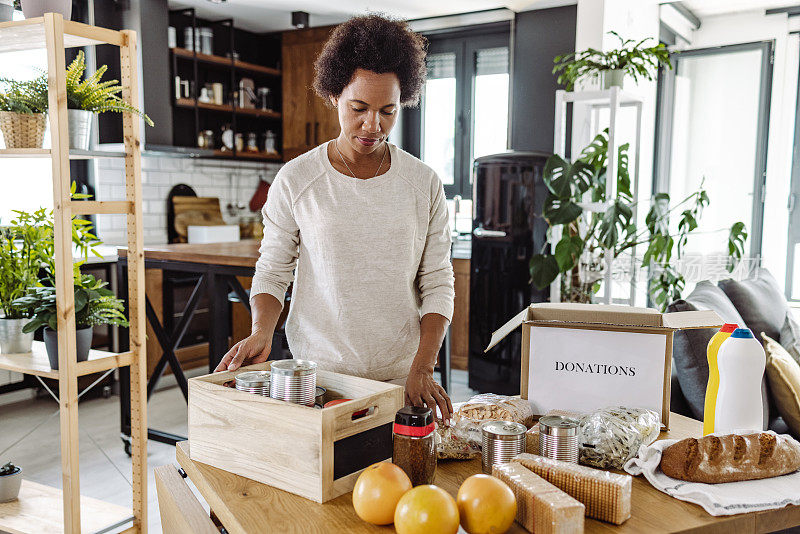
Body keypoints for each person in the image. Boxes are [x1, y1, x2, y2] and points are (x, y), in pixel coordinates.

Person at [213, 14, 455, 422]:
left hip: (401, 380)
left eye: (388, 111)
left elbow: (437, 282)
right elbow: (273, 270)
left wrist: (423, 367)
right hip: (317, 381)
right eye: (358, 107)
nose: (372, 125)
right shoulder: (297, 179)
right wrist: (261, 331)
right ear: (332, 97)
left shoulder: (422, 183)